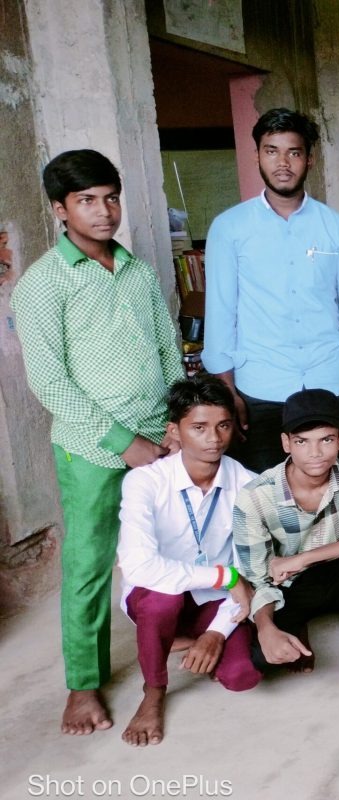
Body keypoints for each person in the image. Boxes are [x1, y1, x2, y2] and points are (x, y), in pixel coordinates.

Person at [11, 149, 185, 736]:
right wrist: (122, 441)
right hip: (91, 449)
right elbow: (50, 384)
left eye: (111, 197)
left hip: (159, 436)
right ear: (60, 209)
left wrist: (174, 421)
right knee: (88, 566)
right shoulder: (41, 285)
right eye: (87, 201)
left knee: (172, 541)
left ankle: (176, 630)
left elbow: (166, 350)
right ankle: (82, 685)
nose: (104, 211)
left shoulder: (135, 270)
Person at [204, 108, 339, 471]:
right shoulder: (229, 228)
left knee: (335, 494)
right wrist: (227, 391)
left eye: (293, 152)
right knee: (265, 498)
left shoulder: (338, 229)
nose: (283, 163)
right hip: (259, 390)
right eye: (271, 151)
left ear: (309, 160)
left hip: (329, 383)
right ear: (257, 157)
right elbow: (220, 312)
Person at [233, 388, 339, 705]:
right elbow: (259, 578)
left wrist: (304, 558)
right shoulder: (255, 496)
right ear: (286, 443)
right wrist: (265, 626)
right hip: (295, 588)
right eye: (302, 441)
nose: (315, 452)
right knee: (261, 660)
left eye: (326, 439)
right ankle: (298, 622)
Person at [116, 376, 260, 746]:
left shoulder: (247, 484)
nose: (213, 438)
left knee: (242, 676)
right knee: (162, 598)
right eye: (199, 427)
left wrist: (216, 632)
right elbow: (139, 567)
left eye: (223, 426)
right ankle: (153, 691)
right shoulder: (144, 482)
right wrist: (223, 576)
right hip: (158, 597)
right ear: (174, 430)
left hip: (213, 603)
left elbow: (253, 568)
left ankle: (189, 636)